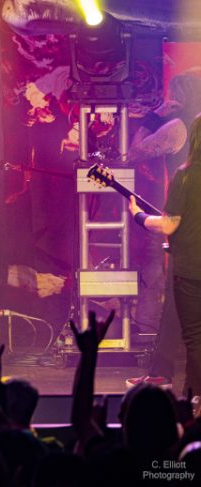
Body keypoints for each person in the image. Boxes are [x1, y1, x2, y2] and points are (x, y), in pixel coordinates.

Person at [127, 73, 201, 388]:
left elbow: (135, 152)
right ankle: (165, 373)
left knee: (180, 311)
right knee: (175, 307)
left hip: (185, 238)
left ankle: (170, 377)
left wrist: (139, 216)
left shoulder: (177, 128)